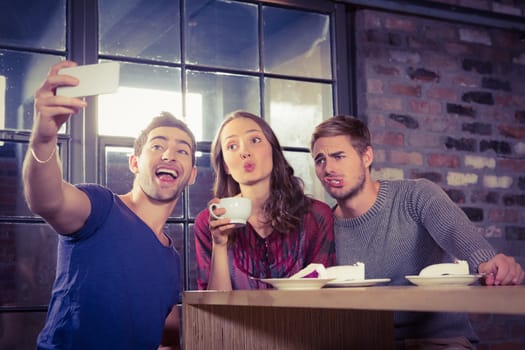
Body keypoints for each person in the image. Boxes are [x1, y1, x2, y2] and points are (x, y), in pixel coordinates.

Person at [22, 60, 197, 350]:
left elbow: (166, 335)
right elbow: (47, 200)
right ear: (134, 162)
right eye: (157, 145)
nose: (169, 154)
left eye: (182, 150)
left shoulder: (170, 259)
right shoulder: (101, 207)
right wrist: (43, 139)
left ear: (191, 174)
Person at [310, 115, 524, 349]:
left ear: (366, 156)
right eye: (320, 160)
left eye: (338, 156)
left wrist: (487, 263)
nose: (328, 168)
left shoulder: (416, 196)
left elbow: (455, 232)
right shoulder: (324, 226)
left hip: (437, 341)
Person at [194, 110, 335, 290]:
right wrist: (219, 245)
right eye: (232, 146)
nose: (245, 152)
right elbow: (214, 309)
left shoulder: (316, 216)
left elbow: (323, 295)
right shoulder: (209, 223)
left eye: (254, 140)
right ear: (226, 166)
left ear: (273, 152)